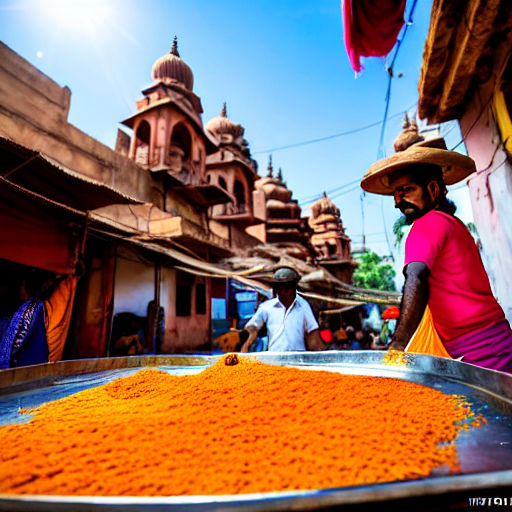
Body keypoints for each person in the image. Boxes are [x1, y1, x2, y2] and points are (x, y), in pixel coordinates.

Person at [361, 144, 512, 372]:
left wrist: (398, 345)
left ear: (432, 189)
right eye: (395, 194)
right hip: (498, 339)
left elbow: (416, 277)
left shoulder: (427, 224)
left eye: (406, 190)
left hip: (478, 353)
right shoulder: (455, 226)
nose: (397, 202)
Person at [239, 266, 324, 352]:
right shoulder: (267, 307)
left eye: (286, 288)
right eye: (279, 288)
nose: (282, 291)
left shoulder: (304, 306)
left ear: (294, 288)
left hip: (297, 359)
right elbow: (252, 326)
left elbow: (313, 334)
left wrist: (321, 355)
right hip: (275, 359)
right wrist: (249, 335)